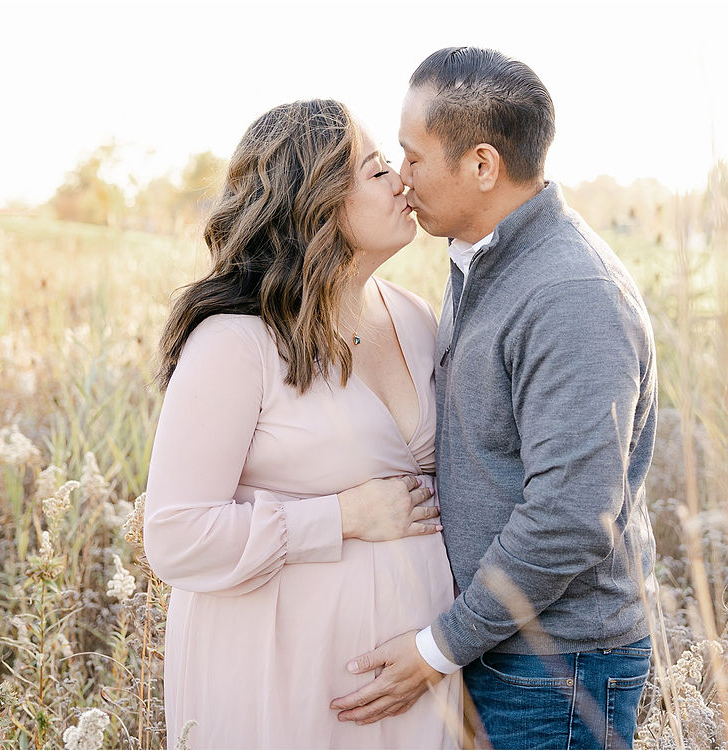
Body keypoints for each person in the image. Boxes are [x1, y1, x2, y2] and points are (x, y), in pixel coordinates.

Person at [330, 47, 659, 749]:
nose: (400, 177)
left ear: (482, 165)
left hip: (556, 668)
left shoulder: (571, 295)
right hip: (501, 647)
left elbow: (571, 515)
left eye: (414, 157)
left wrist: (438, 646)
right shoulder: (482, 261)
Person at [143, 99, 461, 749]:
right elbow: (175, 535)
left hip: (414, 678)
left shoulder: (415, 316)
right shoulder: (235, 343)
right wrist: (339, 516)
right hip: (280, 679)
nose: (402, 179)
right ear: (315, 202)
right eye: (376, 172)